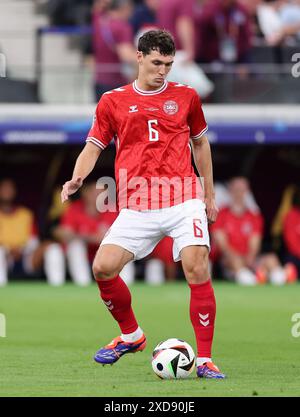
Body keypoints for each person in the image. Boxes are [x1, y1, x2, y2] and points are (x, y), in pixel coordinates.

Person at [61, 29, 225, 379]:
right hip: (138, 204)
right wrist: (77, 178)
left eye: (168, 63)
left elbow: (201, 144)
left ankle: (207, 359)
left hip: (183, 198)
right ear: (138, 57)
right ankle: (131, 335)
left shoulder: (187, 97)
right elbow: (93, 146)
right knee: (102, 268)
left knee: (196, 265)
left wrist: (208, 193)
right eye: (156, 63)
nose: (163, 70)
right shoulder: (112, 101)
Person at [211, 177, 296, 285]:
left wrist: (250, 258)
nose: (239, 193)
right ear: (230, 191)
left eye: (242, 190)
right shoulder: (221, 214)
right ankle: (251, 278)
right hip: (229, 260)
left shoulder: (254, 216)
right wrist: (239, 258)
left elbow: (255, 243)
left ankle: (276, 277)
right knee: (234, 260)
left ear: (247, 192)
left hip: (249, 259)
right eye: (236, 189)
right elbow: (222, 245)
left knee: (271, 258)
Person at [0, 178, 64, 286]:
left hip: (26, 256)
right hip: (5, 257)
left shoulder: (26, 214)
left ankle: (57, 288)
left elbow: (33, 240)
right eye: (4, 188)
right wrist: (9, 249)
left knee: (53, 248)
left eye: (9, 188)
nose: (7, 191)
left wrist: (21, 249)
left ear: (14, 191)